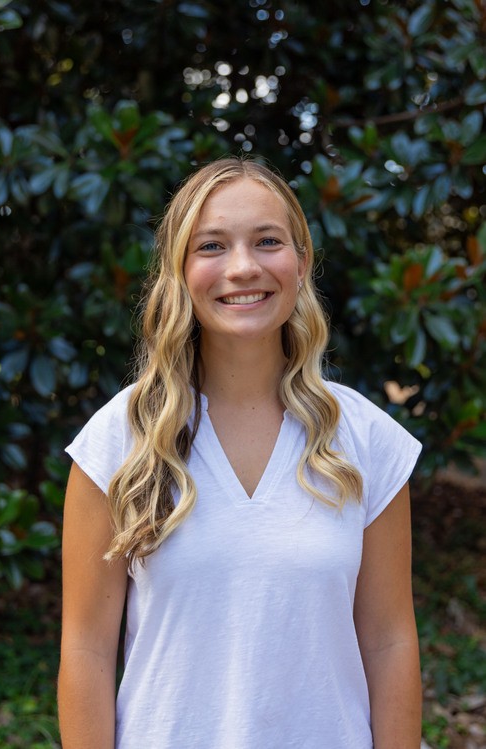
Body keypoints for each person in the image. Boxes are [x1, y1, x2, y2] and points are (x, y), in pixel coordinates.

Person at [58, 157, 423, 749]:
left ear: (301, 261)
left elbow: (389, 642)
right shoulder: (120, 439)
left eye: (267, 241)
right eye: (211, 246)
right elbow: (86, 649)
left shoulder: (367, 439)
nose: (243, 267)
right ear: (179, 271)